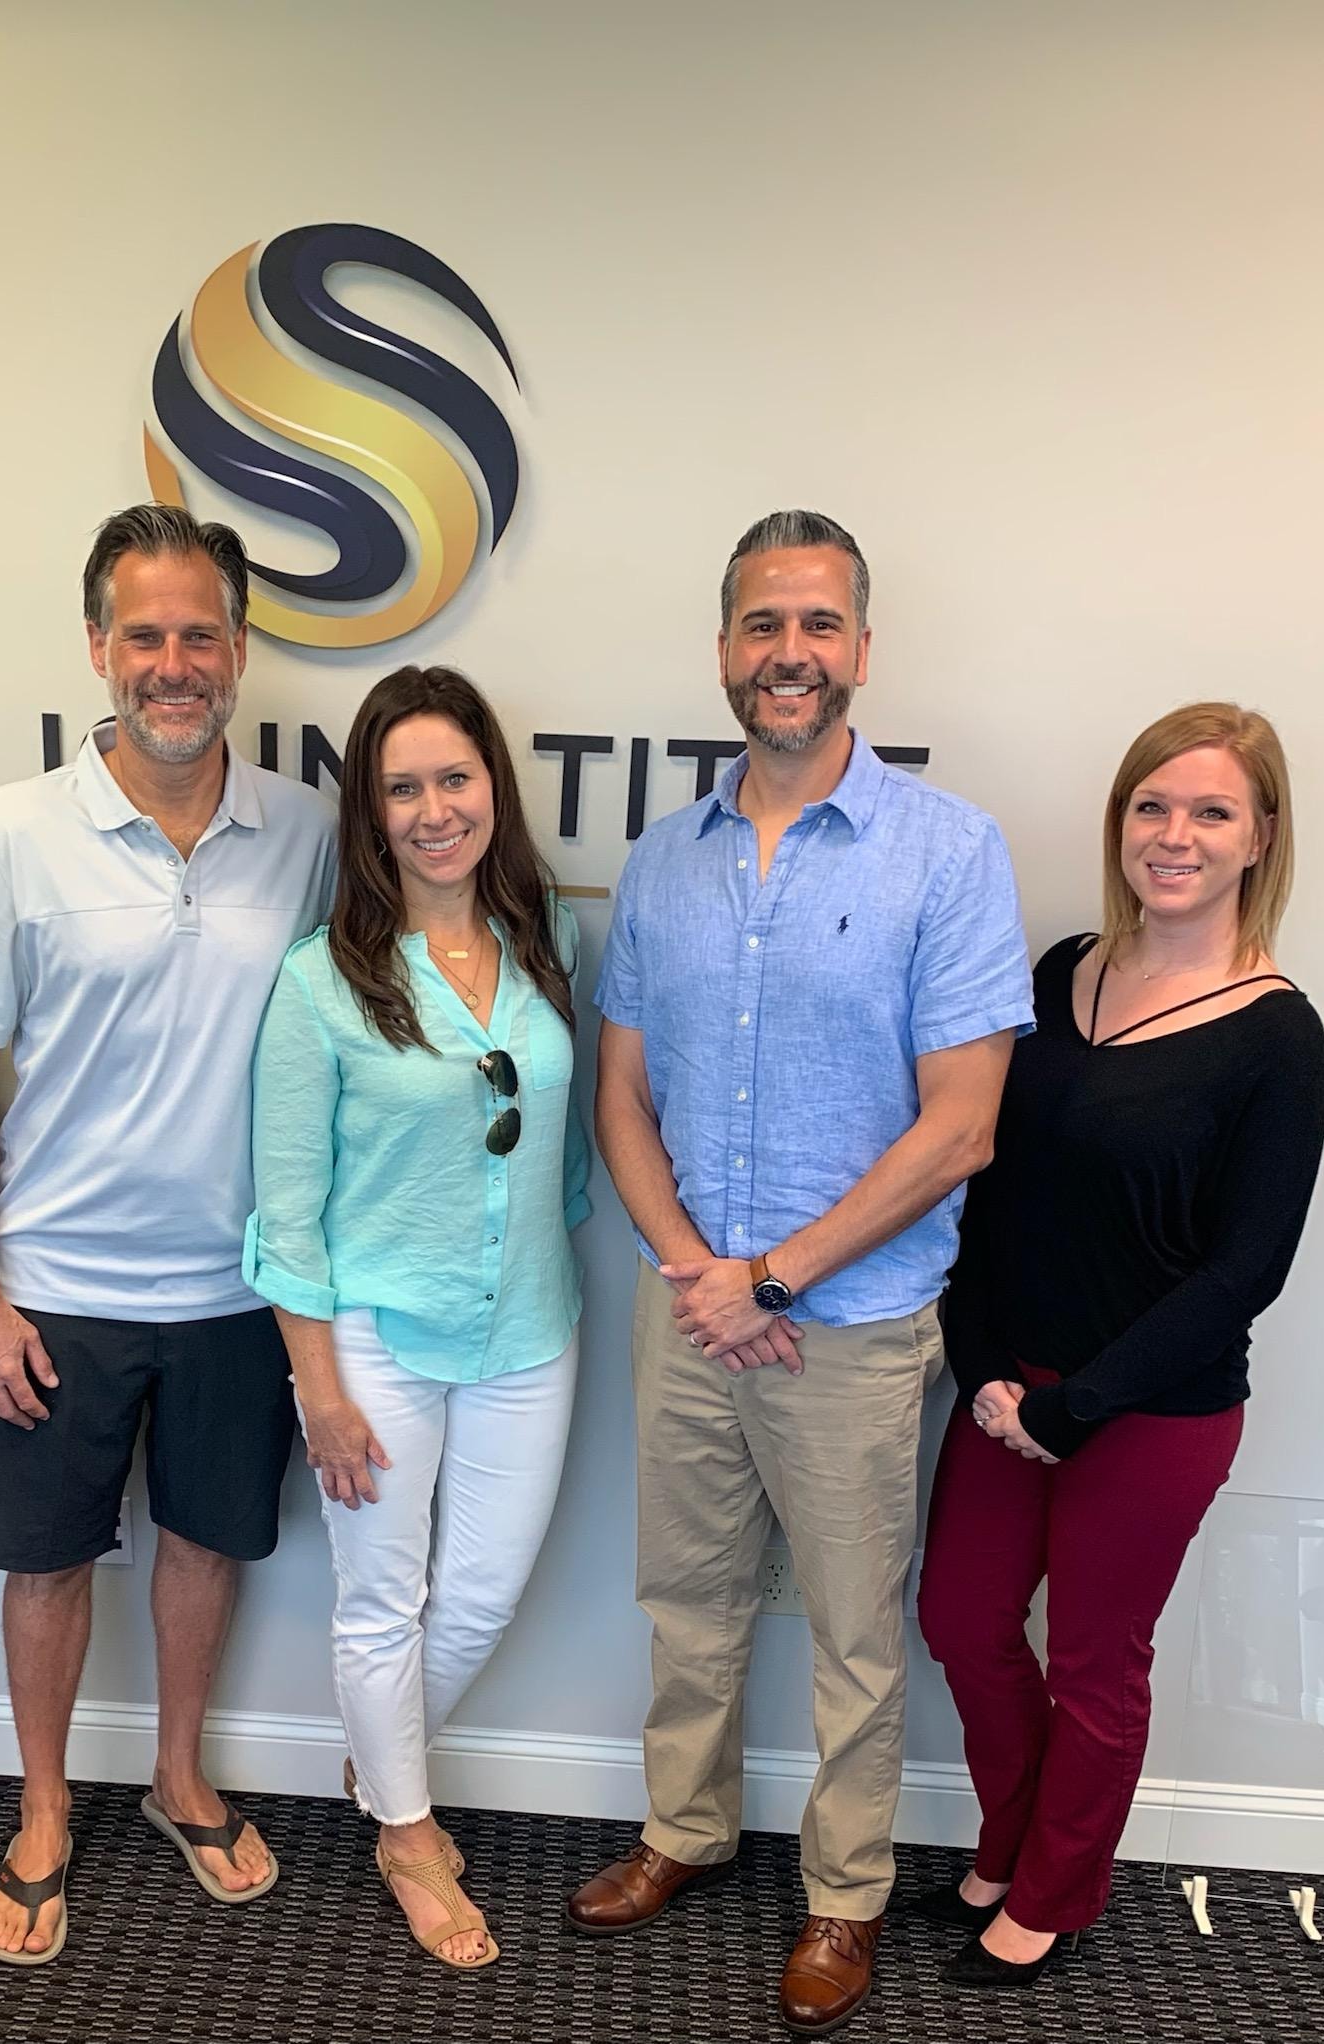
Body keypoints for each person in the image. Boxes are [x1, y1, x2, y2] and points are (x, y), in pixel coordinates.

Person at [565, 510, 1035, 2035]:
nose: (789, 654)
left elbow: (958, 1128)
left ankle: (842, 1899)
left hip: (850, 1328)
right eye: (763, 625)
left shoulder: (947, 854)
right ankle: (684, 1834)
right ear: (722, 651)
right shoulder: (661, 862)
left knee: (848, 1630)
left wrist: (768, 1277)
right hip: (688, 1306)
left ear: (859, 652)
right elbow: (618, 1101)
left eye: (817, 626)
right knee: (683, 1598)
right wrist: (701, 1271)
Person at [0, 503, 336, 1964]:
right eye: (143, 635)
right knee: (45, 1566)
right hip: (54, 1293)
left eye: (199, 635)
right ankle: (41, 1809)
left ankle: (176, 1776)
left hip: (238, 1292)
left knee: (206, 1547)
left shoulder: (310, 835)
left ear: (238, 650)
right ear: (97, 649)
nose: (174, 663)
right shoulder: (15, 834)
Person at [915, 702, 1324, 1987]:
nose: (1175, 833)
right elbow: (988, 1179)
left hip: (1152, 1408)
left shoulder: (1277, 1035)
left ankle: (1052, 1887)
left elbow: (1243, 1271)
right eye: (1153, 804)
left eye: (1211, 810)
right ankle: (1010, 1836)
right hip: (1003, 1388)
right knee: (959, 1620)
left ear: (1260, 836)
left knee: (1095, 1660)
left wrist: (1075, 1406)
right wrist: (983, 1362)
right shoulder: (1057, 971)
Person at [247, 666, 592, 1972]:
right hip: (375, 1345)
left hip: (526, 1334)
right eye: (402, 787)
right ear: (369, 814)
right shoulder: (320, 981)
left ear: (491, 787)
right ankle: (402, 1828)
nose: (434, 808)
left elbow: (561, 1164)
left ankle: (373, 1758)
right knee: (376, 1603)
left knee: (485, 1592)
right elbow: (287, 1217)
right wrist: (317, 1390)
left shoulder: (550, 937)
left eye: (454, 777)